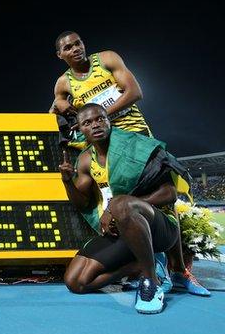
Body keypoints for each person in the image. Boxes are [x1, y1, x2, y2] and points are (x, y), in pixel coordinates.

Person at [59, 104, 208, 314]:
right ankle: (138, 266)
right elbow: (82, 204)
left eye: (100, 119)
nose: (95, 125)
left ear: (109, 121)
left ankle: (151, 283)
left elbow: (169, 193)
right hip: (122, 231)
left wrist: (119, 207)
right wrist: (67, 181)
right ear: (80, 129)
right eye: (87, 122)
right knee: (76, 282)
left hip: (159, 227)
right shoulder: (85, 160)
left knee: (121, 203)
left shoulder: (137, 146)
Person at [51, 31, 152, 137]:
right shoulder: (63, 82)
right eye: (68, 48)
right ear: (59, 55)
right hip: (102, 140)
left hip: (134, 129)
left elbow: (135, 93)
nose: (76, 49)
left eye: (78, 43)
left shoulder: (107, 59)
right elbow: (53, 113)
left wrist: (97, 116)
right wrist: (58, 102)